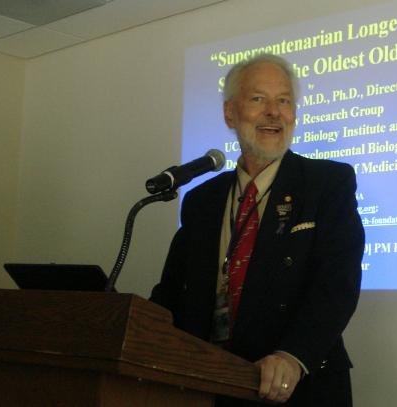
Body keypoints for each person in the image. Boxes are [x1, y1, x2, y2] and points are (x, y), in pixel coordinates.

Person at [150, 54, 364, 406]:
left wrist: (293, 356)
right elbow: (172, 293)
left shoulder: (327, 183)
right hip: (210, 386)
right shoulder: (202, 199)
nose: (274, 112)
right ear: (230, 113)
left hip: (295, 387)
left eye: (284, 101)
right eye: (258, 99)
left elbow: (337, 284)